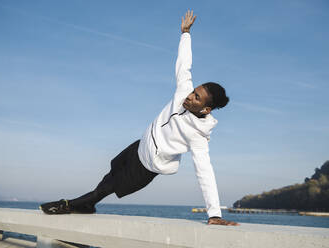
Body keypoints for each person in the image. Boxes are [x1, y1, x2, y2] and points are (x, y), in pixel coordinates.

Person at [40, 10, 238, 226]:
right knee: (110, 175)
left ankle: (73, 204)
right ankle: (87, 205)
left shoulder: (198, 137)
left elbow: (205, 172)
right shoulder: (183, 92)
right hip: (140, 144)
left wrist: (215, 214)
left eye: (196, 97)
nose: (190, 97)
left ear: (206, 109)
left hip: (148, 164)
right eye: (193, 91)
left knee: (109, 186)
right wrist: (186, 33)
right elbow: (184, 64)